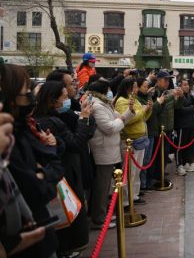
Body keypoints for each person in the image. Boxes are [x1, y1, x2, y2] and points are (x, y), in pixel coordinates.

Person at [2, 64, 63, 257]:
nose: (30, 97)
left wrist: (42, 171)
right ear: (9, 99)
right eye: (26, 90)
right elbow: (38, 189)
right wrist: (42, 174)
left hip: (40, 236)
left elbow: (53, 172)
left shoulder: (22, 131)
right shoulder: (10, 141)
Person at [34, 81, 96, 257]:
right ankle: (67, 248)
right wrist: (83, 118)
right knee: (66, 214)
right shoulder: (49, 121)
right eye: (65, 97)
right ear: (53, 100)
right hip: (64, 172)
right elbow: (75, 143)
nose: (68, 100)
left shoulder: (58, 115)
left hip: (67, 169)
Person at [87, 79, 134, 229]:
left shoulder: (105, 103)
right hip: (103, 149)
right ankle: (99, 219)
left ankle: (102, 214)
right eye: (107, 90)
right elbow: (109, 127)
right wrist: (119, 120)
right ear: (103, 90)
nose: (110, 92)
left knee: (106, 184)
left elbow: (118, 117)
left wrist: (128, 112)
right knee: (102, 185)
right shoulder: (97, 106)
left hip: (110, 148)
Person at [114, 78, 152, 205]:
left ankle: (134, 195)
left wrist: (148, 110)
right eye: (135, 87)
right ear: (128, 88)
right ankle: (125, 200)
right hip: (129, 141)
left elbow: (142, 118)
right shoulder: (121, 101)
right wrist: (143, 111)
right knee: (129, 172)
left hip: (140, 138)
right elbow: (128, 120)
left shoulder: (134, 100)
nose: (136, 89)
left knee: (136, 171)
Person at [145, 71, 183, 187]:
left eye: (168, 80)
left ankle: (160, 173)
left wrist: (180, 97)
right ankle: (153, 177)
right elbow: (153, 111)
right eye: (165, 80)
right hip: (157, 129)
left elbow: (176, 106)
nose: (167, 82)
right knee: (156, 155)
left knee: (164, 153)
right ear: (158, 80)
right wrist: (171, 96)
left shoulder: (168, 92)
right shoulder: (152, 92)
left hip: (168, 128)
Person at [135, 77, 156, 191]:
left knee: (147, 160)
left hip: (149, 130)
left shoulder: (147, 97)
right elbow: (141, 116)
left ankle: (145, 183)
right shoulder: (137, 99)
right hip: (140, 134)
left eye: (148, 86)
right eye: (145, 86)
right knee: (142, 161)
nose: (147, 89)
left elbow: (148, 115)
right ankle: (142, 186)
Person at [174, 79, 194, 175]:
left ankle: (187, 162)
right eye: (184, 85)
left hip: (190, 124)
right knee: (180, 146)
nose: (187, 86)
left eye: (187, 84)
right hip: (181, 125)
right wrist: (192, 108)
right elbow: (180, 110)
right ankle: (179, 165)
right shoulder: (177, 97)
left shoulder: (190, 96)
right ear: (180, 87)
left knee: (189, 145)